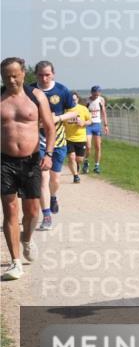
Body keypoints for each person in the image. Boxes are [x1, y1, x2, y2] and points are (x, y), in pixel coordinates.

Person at [1, 57, 56, 281]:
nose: (11, 80)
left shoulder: (37, 96)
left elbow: (50, 128)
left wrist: (49, 154)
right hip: (4, 161)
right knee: (10, 210)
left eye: (15, 75)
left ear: (24, 74)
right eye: (6, 76)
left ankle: (26, 238)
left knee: (32, 213)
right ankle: (15, 262)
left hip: (32, 160)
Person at [33, 61, 74, 228]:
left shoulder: (62, 90)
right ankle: (47, 216)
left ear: (53, 74)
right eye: (41, 75)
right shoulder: (30, 91)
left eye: (47, 74)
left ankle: (53, 196)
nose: (44, 78)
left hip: (58, 140)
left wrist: (56, 119)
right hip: (37, 140)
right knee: (43, 177)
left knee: (54, 179)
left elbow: (73, 111)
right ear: (36, 75)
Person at [63, 92, 93, 184]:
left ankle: (78, 165)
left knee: (79, 159)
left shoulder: (83, 109)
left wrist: (83, 123)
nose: (73, 101)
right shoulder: (65, 110)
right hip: (68, 138)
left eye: (75, 99)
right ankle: (75, 176)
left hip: (81, 138)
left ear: (78, 99)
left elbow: (90, 121)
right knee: (71, 157)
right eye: (71, 99)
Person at [82, 85, 109, 174]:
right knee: (88, 146)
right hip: (88, 125)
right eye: (95, 94)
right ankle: (86, 162)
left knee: (98, 146)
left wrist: (105, 125)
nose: (96, 95)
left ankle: (97, 165)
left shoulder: (101, 100)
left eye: (98, 93)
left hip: (97, 124)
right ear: (92, 93)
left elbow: (104, 112)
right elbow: (83, 112)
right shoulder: (87, 100)